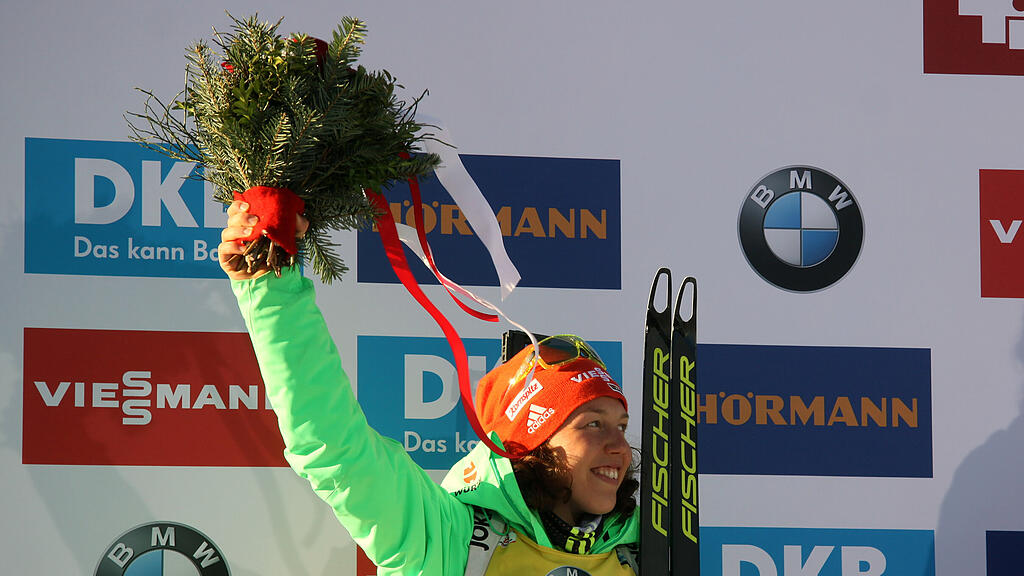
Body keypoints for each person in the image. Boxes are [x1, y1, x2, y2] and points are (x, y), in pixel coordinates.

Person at [219, 200, 641, 575]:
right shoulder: (444, 541)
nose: (621, 447)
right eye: (593, 424)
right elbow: (336, 447)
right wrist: (270, 288)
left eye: (621, 426)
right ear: (534, 440)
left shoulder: (649, 550)